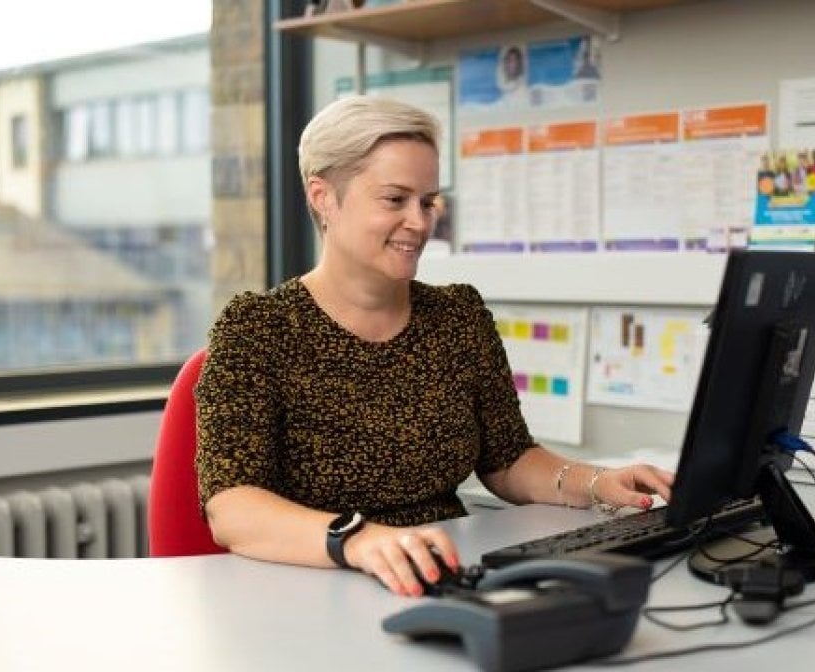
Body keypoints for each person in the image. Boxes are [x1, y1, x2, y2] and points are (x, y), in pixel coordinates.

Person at [195, 96, 674, 597]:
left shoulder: (457, 315)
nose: (420, 222)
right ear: (323, 197)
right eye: (394, 200)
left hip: (445, 571)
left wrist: (598, 483)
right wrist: (358, 540)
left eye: (427, 202)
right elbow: (232, 507)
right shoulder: (257, 328)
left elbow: (508, 460)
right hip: (315, 583)